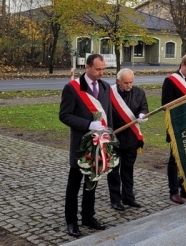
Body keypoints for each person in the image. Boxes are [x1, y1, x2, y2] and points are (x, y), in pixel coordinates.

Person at [59, 54, 112, 238]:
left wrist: (109, 135)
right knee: (74, 184)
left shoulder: (105, 87)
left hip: (99, 144)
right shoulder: (72, 88)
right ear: (87, 67)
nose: (101, 73)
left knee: (92, 183)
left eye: (103, 69)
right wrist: (88, 124)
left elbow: (109, 114)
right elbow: (64, 115)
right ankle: (71, 221)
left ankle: (88, 216)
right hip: (81, 145)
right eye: (98, 69)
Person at [107, 68, 149, 211]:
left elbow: (144, 108)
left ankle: (128, 197)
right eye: (125, 83)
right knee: (113, 171)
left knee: (128, 169)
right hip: (114, 137)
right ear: (118, 81)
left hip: (131, 138)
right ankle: (115, 199)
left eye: (131, 82)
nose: (128, 85)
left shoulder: (139, 93)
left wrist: (143, 115)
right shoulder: (109, 93)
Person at [161, 54, 186, 204]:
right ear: (182, 65)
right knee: (175, 159)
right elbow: (166, 105)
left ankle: (185, 188)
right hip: (177, 125)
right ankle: (173, 191)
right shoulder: (170, 81)